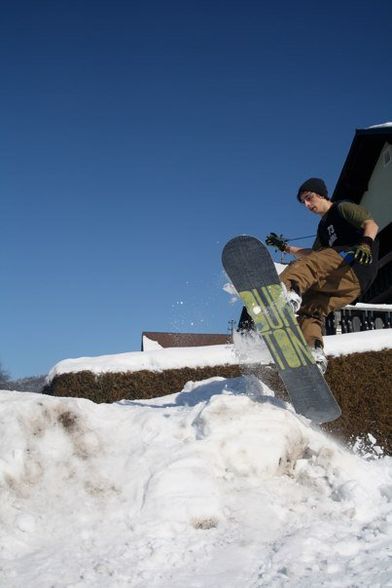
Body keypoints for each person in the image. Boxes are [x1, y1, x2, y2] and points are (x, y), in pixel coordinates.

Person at [264, 177, 379, 373]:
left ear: (321, 194)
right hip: (350, 285)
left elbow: (371, 224)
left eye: (309, 198)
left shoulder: (342, 208)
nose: (308, 205)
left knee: (304, 266)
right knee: (310, 310)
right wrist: (285, 247)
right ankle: (314, 352)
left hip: (356, 262)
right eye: (304, 203)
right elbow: (313, 255)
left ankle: (287, 291)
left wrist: (366, 244)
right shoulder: (322, 230)